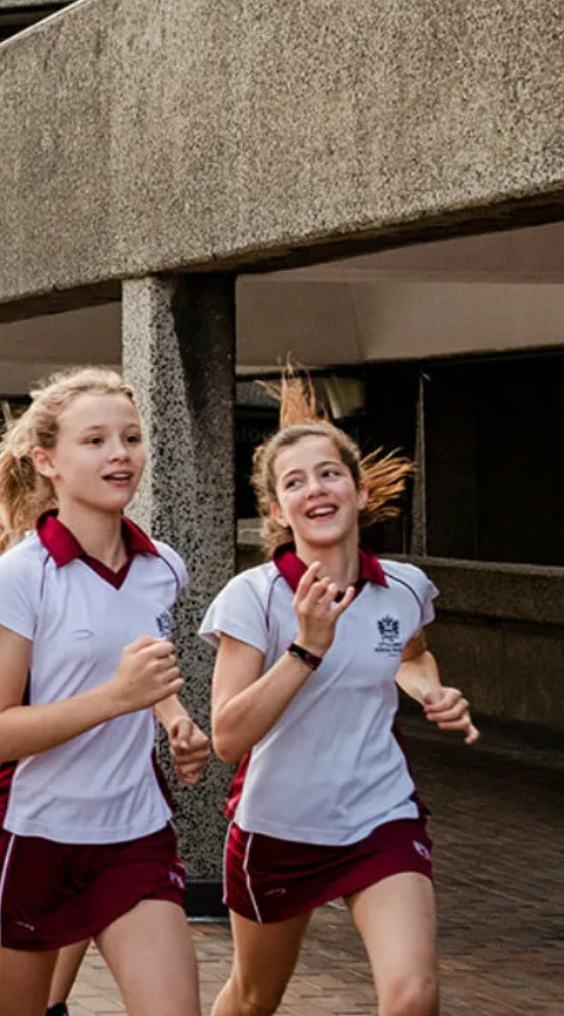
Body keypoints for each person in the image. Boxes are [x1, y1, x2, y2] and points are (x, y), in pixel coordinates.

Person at [203, 371, 478, 1016]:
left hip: (379, 816)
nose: (314, 490)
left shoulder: (406, 587)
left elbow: (410, 653)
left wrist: (431, 690)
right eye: (293, 483)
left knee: (414, 994)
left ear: (357, 490)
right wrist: (306, 648)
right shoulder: (255, 598)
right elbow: (227, 737)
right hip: (278, 826)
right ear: (277, 511)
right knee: (252, 998)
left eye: (328, 474)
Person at [0, 367, 210, 1016]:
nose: (120, 453)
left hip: (133, 832)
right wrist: (119, 698)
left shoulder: (163, 568)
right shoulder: (18, 579)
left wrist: (173, 716)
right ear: (48, 461)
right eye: (94, 441)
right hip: (32, 833)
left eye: (131, 437)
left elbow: (139, 667)